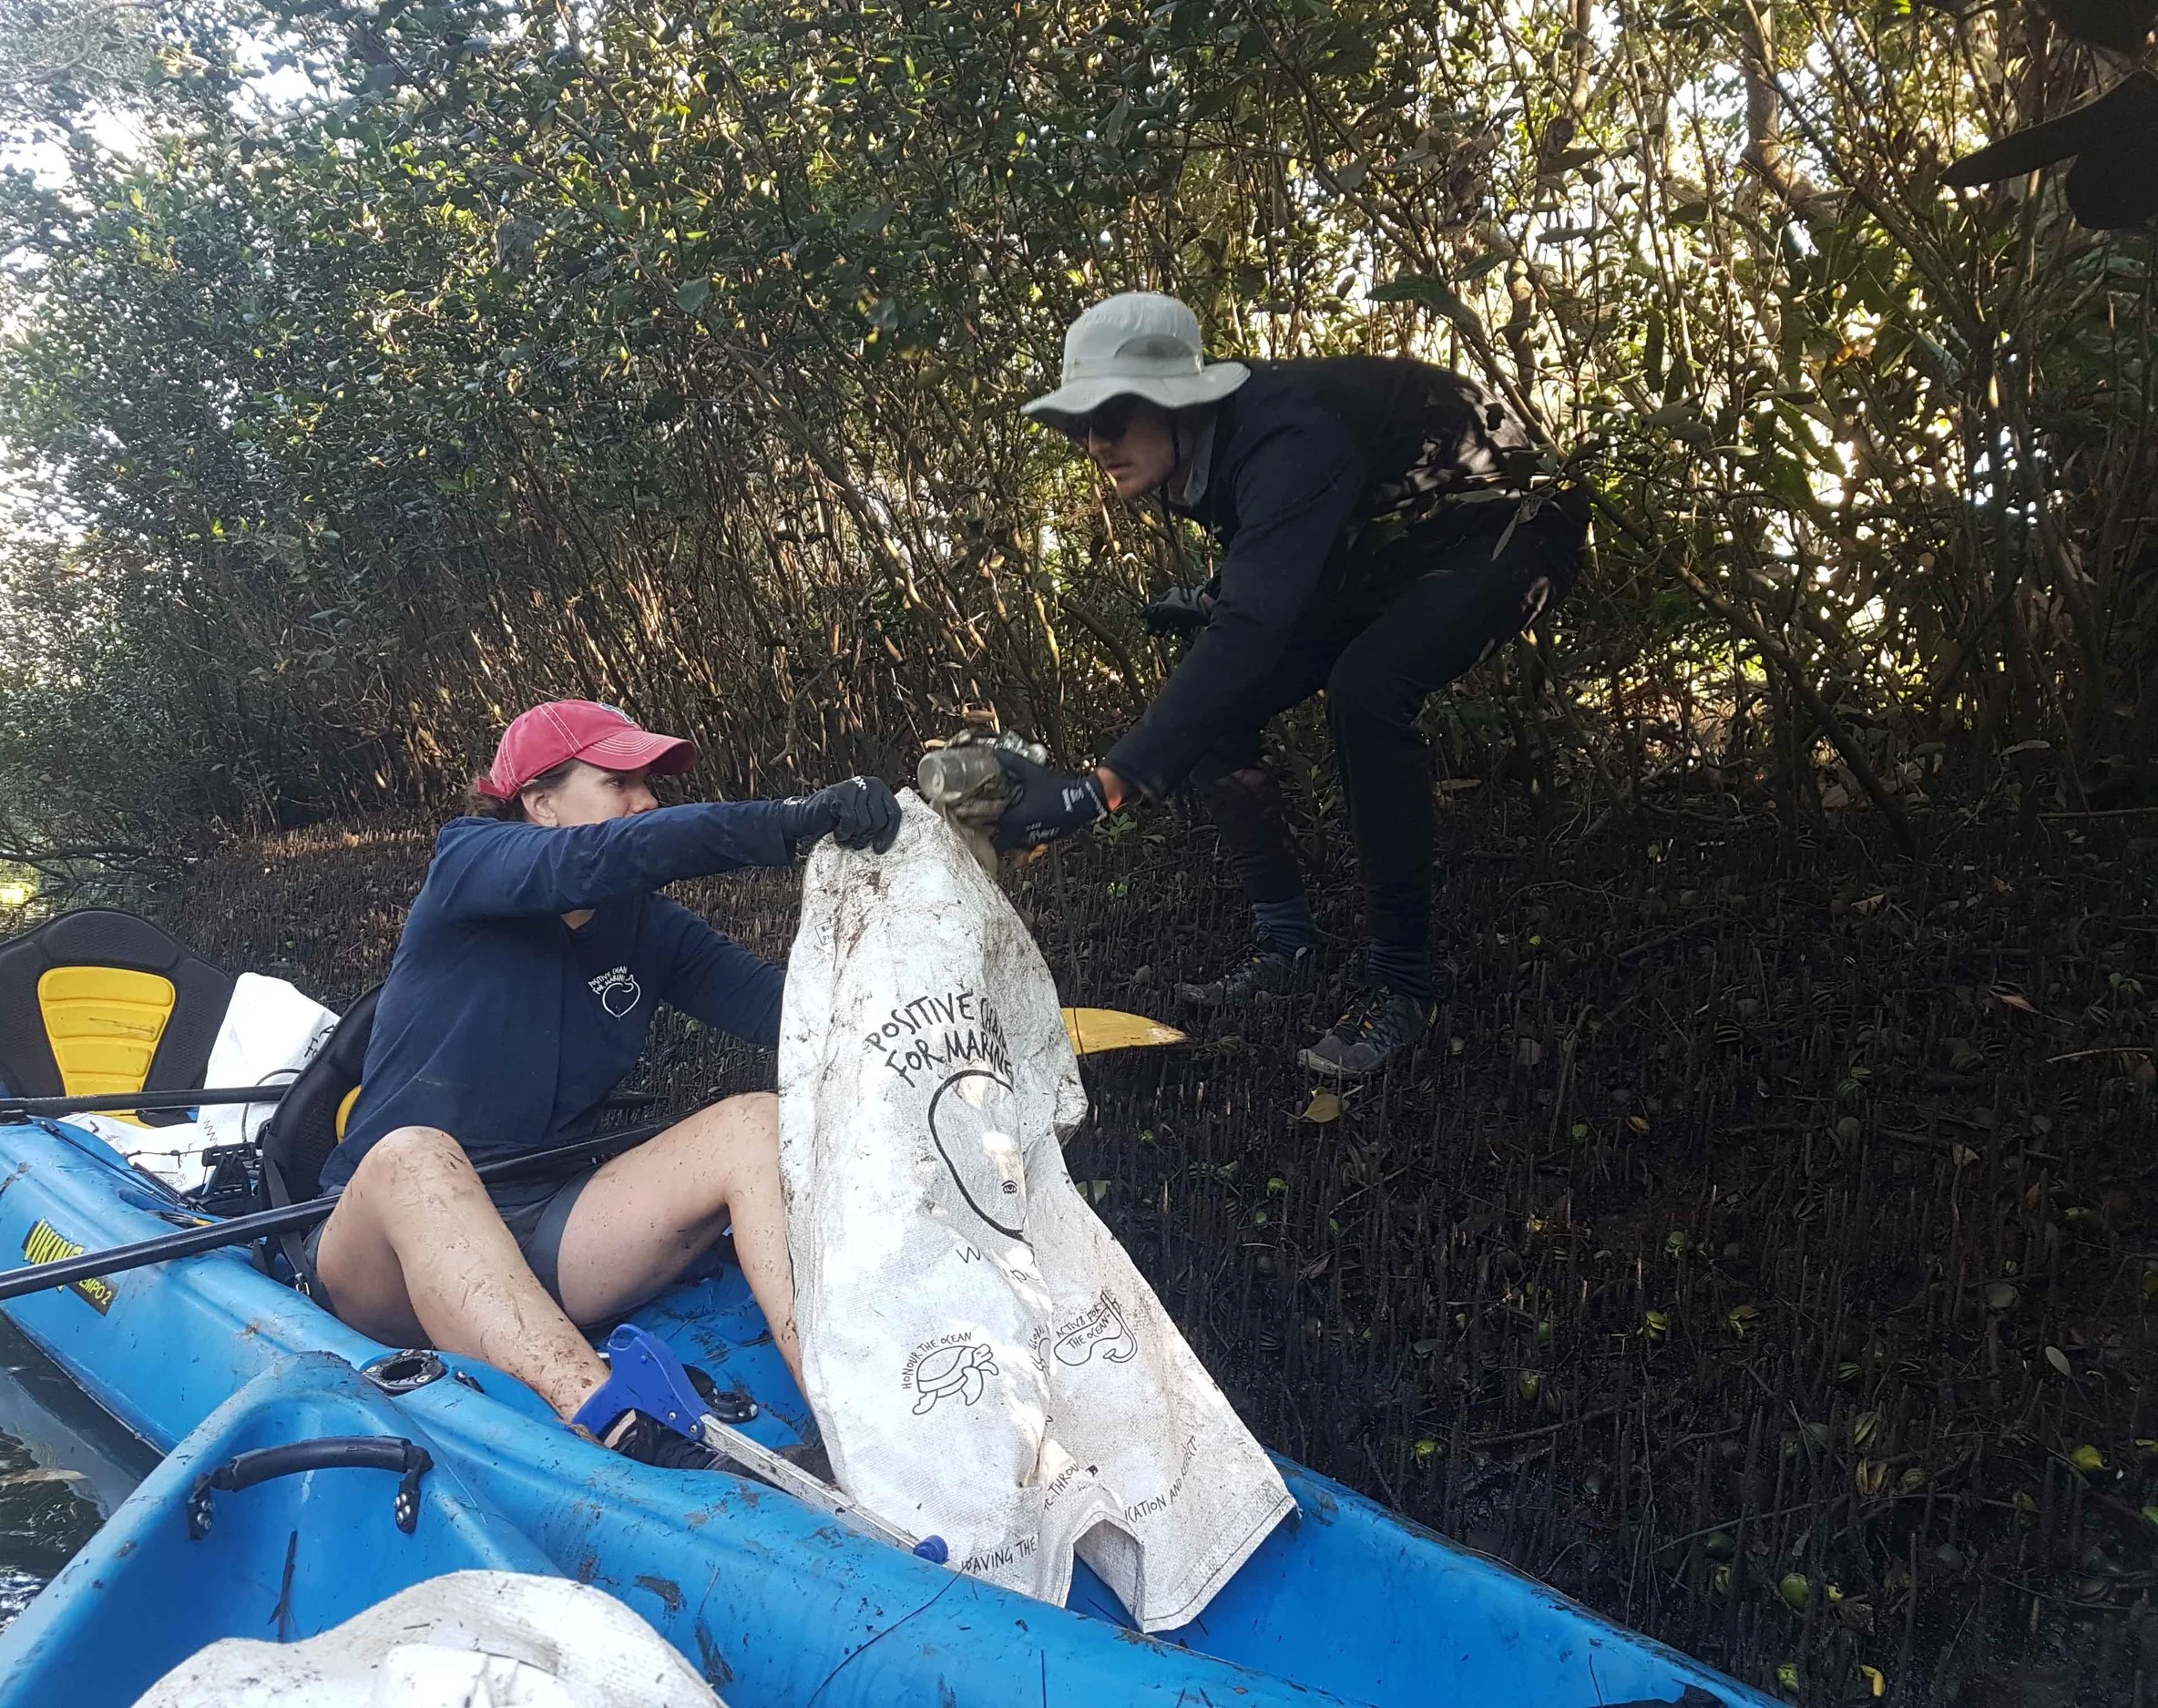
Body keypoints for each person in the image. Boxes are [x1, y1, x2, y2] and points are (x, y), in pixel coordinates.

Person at [994, 292, 1584, 1078]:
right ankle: (1287, 941)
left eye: (1114, 414)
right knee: (1215, 707)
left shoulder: (1288, 430)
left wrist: (1103, 787)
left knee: (1369, 688)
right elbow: (1280, 554)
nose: (1097, 442)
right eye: (1080, 425)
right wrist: (1221, 596)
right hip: (1401, 543)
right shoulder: (1216, 443)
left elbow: (1258, 622)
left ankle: (1405, 982)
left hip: (1512, 526)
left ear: (1177, 401)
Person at [307, 699, 899, 1465]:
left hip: (546, 1231)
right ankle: (620, 1429)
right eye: (620, 780)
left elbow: (797, 1017)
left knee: (754, 1120)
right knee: (414, 1154)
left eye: (650, 782)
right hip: (384, 1256)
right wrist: (792, 819)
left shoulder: (645, 925)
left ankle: (854, 1414)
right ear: (540, 803)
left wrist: (921, 1008)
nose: (647, 799)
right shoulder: (467, 862)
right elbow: (603, 858)